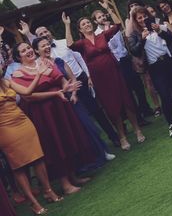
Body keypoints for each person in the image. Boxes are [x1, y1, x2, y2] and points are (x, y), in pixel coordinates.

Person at [11, 43, 96, 197]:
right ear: (18, 57)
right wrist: (56, 93)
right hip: (42, 112)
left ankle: (73, 176)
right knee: (54, 144)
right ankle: (64, 184)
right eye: (23, 51)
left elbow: (60, 78)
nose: (28, 51)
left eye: (29, 48)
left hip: (60, 106)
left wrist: (66, 88)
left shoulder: (45, 62)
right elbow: (28, 96)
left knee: (66, 139)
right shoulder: (17, 74)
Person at [21, 21, 120, 148]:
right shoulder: (43, 54)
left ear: (50, 32)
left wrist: (88, 75)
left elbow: (79, 57)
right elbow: (36, 46)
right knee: (79, 119)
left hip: (80, 80)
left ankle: (114, 136)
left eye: (46, 31)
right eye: (41, 34)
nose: (45, 34)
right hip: (64, 88)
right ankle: (93, 146)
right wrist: (28, 34)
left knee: (97, 111)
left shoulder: (64, 43)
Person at [65, 2, 146, 151]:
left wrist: (109, 9)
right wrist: (67, 25)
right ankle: (122, 137)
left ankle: (137, 130)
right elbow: (70, 44)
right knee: (111, 107)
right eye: (84, 24)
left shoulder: (102, 35)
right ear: (80, 29)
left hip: (114, 73)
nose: (87, 25)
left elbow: (116, 25)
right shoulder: (82, 44)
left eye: (88, 22)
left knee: (126, 101)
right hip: (100, 79)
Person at [31, 37, 115, 166]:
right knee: (72, 131)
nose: (47, 47)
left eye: (47, 44)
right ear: (36, 50)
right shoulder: (38, 68)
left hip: (72, 98)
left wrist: (74, 94)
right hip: (56, 102)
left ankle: (102, 151)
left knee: (88, 125)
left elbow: (72, 78)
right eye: (42, 46)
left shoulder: (59, 61)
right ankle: (83, 161)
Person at [0, 54, 63, 215]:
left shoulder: (6, 82)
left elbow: (27, 91)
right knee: (19, 165)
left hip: (23, 122)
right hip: (6, 129)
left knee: (38, 157)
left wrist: (39, 74)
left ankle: (48, 190)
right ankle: (33, 203)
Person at [128, 7, 172, 138]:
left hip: (169, 61)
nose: (143, 19)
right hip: (155, 67)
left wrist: (159, 30)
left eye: (144, 16)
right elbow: (134, 51)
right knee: (165, 96)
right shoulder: (135, 34)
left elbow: (171, 38)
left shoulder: (157, 25)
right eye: (139, 18)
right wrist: (142, 39)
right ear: (136, 20)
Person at [94, 4, 157, 121]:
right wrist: (107, 29)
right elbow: (108, 46)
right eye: (99, 17)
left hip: (126, 59)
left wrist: (131, 58)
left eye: (103, 15)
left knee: (138, 86)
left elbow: (123, 42)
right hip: (116, 63)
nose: (102, 18)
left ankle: (145, 109)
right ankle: (138, 117)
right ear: (95, 21)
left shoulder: (114, 26)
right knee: (128, 91)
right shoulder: (97, 35)